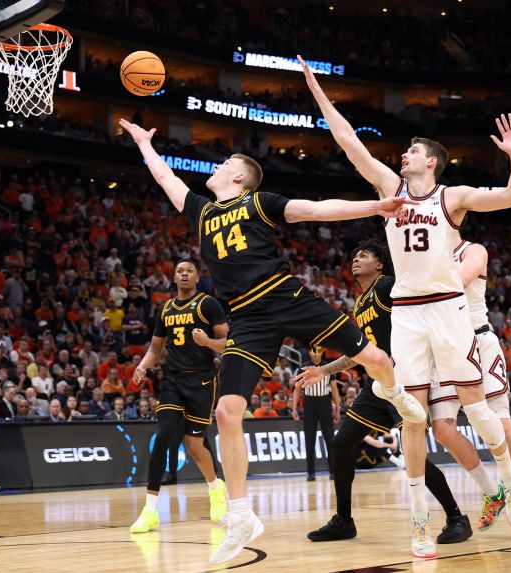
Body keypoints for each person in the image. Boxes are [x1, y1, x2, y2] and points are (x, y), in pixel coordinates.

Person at [120, 116, 424, 565]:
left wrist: (372, 208)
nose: (217, 164)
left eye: (225, 161)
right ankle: (241, 516)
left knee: (375, 357)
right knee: (227, 412)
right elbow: (165, 178)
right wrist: (145, 144)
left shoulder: (260, 202)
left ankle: (395, 394)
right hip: (246, 318)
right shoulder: (203, 211)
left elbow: (317, 208)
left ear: (238, 176)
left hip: (286, 297)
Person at [301, 56, 511, 557]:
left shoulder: (455, 196)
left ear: (432, 162)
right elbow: (348, 142)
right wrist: (318, 90)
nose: (404, 154)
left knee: (474, 404)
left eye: (413, 151)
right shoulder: (389, 188)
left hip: (448, 309)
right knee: (413, 419)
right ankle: (420, 522)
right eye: (404, 151)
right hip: (406, 313)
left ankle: (508, 479)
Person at [298, 240, 471, 545]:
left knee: (413, 453)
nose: (355, 259)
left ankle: (457, 518)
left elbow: (422, 313)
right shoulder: (361, 301)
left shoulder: (386, 286)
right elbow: (358, 354)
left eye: (363, 255)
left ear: (379, 264)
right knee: (340, 445)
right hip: (377, 386)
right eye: (354, 255)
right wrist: (323, 371)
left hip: (406, 380)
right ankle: (344, 521)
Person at [427, 239, 511, 535]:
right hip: (442, 349)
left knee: (502, 424)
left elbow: (456, 283)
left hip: (477, 341)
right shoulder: (428, 254)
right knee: (442, 429)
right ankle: (492, 492)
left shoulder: (473, 250)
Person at [129, 259, 229, 534]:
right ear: (173, 278)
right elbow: (155, 348)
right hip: (172, 379)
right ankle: (150, 510)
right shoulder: (166, 309)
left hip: (202, 380)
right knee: (163, 438)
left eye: (190, 271)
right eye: (180, 271)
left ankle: (214, 487)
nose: (184, 274)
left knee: (195, 447)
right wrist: (142, 365)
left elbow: (228, 343)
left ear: (197, 277)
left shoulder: (208, 304)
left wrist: (207, 342)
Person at [291, 346, 340, 481]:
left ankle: (333, 471)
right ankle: (311, 473)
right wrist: (294, 409)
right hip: (310, 404)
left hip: (325, 403)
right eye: (313, 351)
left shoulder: (329, 368)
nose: (315, 354)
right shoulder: (303, 368)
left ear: (322, 353)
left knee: (330, 438)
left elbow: (334, 390)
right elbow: (297, 390)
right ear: (309, 353)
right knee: (309, 439)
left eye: (318, 351)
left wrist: (337, 409)